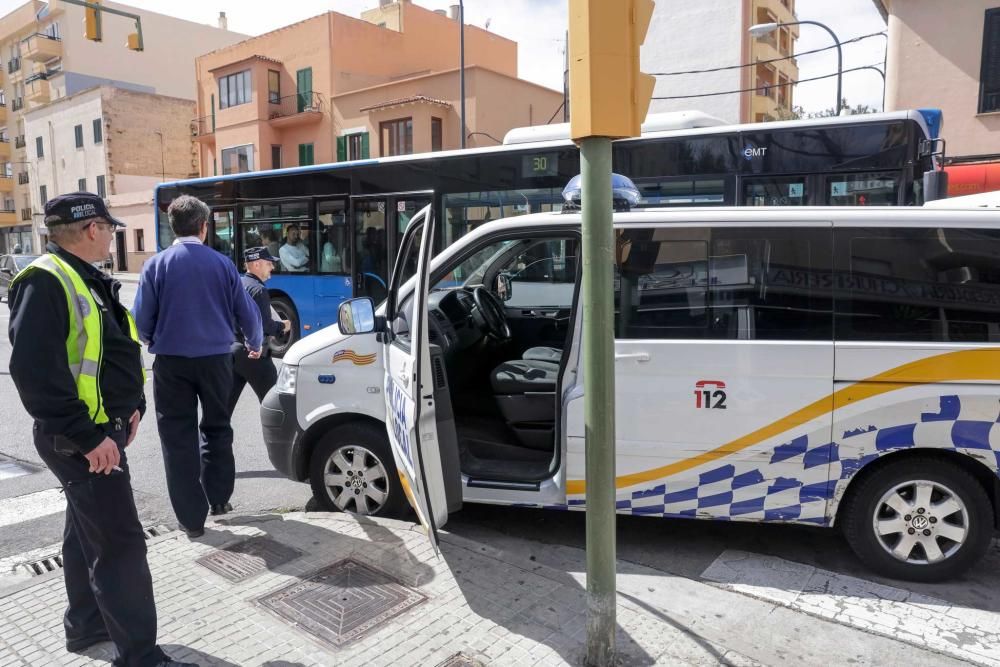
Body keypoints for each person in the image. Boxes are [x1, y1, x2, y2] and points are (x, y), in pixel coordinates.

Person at [7, 192, 195, 667]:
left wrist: (132, 406)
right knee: (120, 545)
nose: (113, 234)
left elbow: (113, 352)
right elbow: (34, 373)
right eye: (109, 228)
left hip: (99, 434)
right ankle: (141, 657)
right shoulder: (48, 281)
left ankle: (86, 624)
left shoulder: (86, 278)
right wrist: (90, 438)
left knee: (84, 529)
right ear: (91, 229)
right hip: (83, 441)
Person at [132, 195, 262, 538]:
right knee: (217, 427)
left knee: (177, 437)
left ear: (173, 226)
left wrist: (151, 338)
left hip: (171, 363)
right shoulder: (222, 264)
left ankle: (191, 520)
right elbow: (246, 311)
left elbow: (141, 319)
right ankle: (219, 499)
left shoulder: (156, 265)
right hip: (217, 360)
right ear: (204, 227)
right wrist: (255, 342)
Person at [227, 246, 289, 416]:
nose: (272, 268)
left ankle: (211, 442)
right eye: (269, 264)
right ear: (256, 265)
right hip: (254, 354)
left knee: (224, 410)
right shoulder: (259, 290)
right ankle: (282, 442)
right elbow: (264, 326)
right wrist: (283, 326)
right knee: (276, 406)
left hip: (231, 352)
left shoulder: (237, 283)